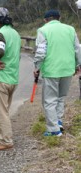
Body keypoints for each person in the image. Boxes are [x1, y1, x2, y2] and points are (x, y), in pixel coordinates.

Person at [33, 9, 81, 137]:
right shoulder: (70, 29)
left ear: (45, 20)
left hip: (51, 70)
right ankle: (58, 122)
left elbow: (41, 51)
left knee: (49, 100)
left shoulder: (43, 30)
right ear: (59, 18)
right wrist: (78, 64)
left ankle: (53, 130)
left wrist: (37, 67)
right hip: (68, 69)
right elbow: (77, 48)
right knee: (61, 97)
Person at [0, 7, 21, 151]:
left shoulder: (0, 33)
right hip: (12, 78)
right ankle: (0, 136)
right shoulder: (15, 33)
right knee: (4, 109)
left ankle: (6, 141)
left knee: (0, 111)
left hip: (0, 78)